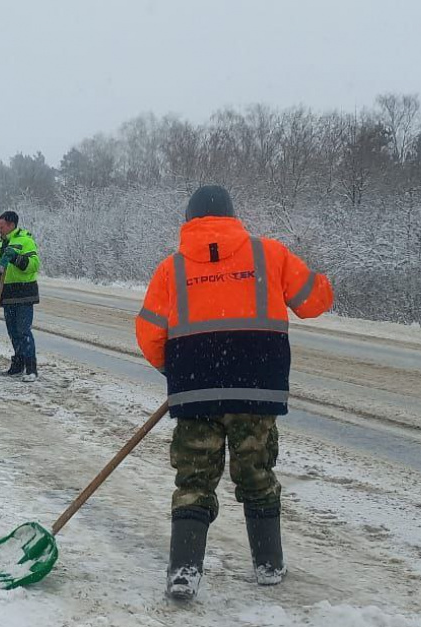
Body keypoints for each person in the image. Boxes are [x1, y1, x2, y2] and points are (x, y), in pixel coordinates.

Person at [134, 185, 333, 601]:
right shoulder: (270, 254)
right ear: (232, 216)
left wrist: (176, 371)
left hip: (196, 393)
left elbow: (149, 333)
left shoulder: (170, 269)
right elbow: (315, 301)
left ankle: (184, 571)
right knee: (257, 472)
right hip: (256, 390)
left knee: (194, 478)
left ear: (189, 221)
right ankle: (268, 566)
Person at [0, 211, 41, 381]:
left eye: (1, 227)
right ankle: (18, 365)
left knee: (23, 331)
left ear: (11, 225)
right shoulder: (0, 245)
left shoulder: (25, 240)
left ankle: (31, 368)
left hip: (24, 294)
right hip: (7, 295)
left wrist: (15, 258)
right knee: (13, 332)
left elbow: (34, 265)